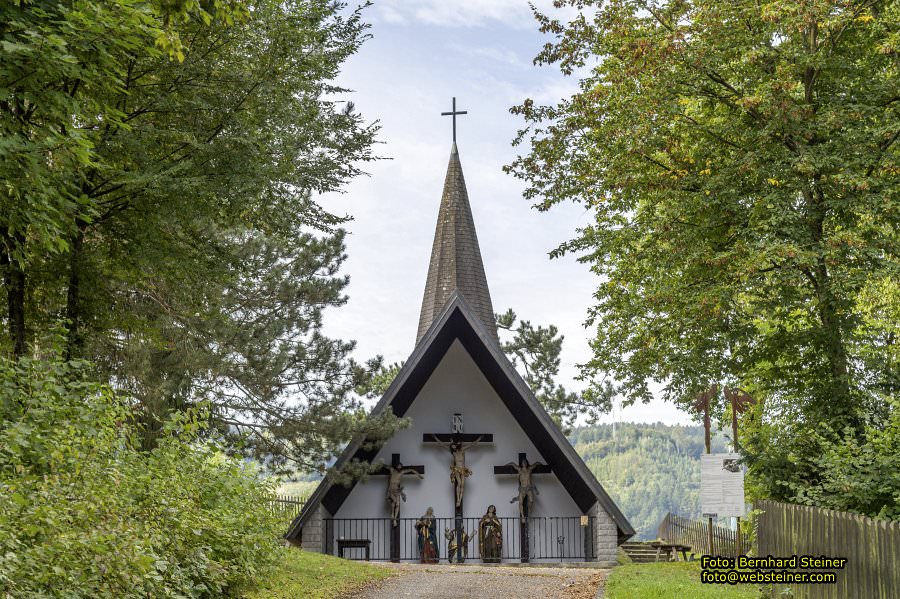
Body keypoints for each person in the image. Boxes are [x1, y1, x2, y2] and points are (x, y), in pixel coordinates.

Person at [430, 434, 482, 507]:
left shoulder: (462, 450)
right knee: (459, 484)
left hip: (463, 469)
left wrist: (479, 439)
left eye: (454, 445)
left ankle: (459, 500)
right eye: (452, 446)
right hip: (457, 469)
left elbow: (472, 444)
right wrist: (435, 438)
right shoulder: (453, 453)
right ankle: (458, 500)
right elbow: (442, 444)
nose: (453, 447)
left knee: (463, 485)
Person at [505, 456, 545, 522]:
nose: (524, 463)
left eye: (525, 462)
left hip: (529, 488)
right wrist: (505, 465)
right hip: (522, 488)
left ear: (527, 463)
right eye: (523, 462)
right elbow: (512, 463)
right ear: (521, 463)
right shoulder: (519, 470)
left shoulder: (529, 469)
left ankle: (529, 511)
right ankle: (523, 516)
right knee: (520, 502)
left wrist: (542, 465)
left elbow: (536, 463)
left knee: (531, 501)